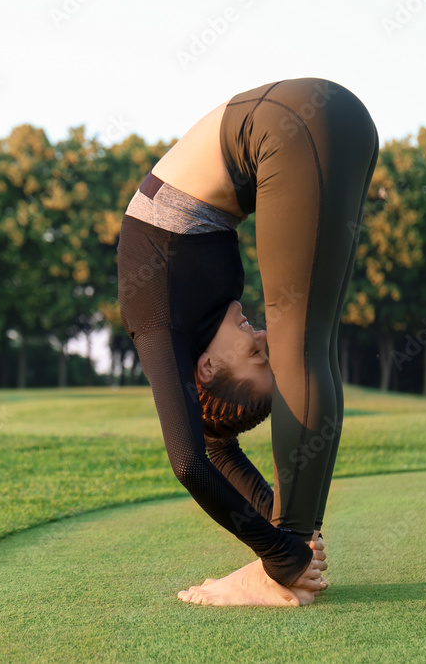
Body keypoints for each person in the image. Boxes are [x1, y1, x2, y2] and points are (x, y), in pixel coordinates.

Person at [116, 78, 379, 606]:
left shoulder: (158, 323)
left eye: (253, 353)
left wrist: (278, 553)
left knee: (300, 351)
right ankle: (300, 540)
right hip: (341, 124)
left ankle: (279, 570)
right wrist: (288, 534)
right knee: (313, 347)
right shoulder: (208, 326)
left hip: (295, 126)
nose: (260, 334)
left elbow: (190, 463)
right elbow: (217, 444)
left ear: (208, 369)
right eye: (262, 346)